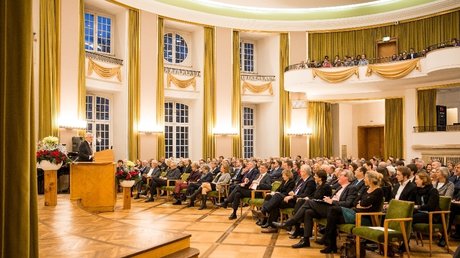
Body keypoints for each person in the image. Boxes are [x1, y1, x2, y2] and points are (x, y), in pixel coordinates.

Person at [320, 170, 384, 253]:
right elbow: (355, 202)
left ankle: (329, 243)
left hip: (364, 217)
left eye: (365, 178)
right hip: (355, 212)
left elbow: (364, 203)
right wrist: (360, 204)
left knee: (333, 210)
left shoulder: (378, 191)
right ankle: (330, 245)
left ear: (371, 179)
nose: (364, 180)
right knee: (332, 217)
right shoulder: (366, 189)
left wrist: (361, 204)